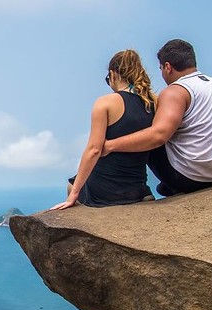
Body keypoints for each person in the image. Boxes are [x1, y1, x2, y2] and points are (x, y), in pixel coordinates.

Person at [102, 39, 212, 196]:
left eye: (161, 68)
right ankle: (169, 186)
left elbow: (159, 135)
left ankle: (136, 190)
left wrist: (111, 145)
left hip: (188, 178)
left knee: (144, 124)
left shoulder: (176, 91)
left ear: (167, 66)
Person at [50, 49, 157, 210]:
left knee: (71, 184)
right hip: (137, 187)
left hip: (106, 191)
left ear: (113, 74)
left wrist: (74, 194)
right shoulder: (153, 103)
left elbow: (94, 150)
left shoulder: (105, 103)